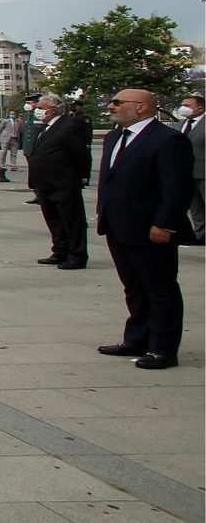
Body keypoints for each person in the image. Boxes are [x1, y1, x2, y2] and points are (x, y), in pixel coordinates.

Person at [94, 88, 193, 370]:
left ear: (141, 107)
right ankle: (137, 338)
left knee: (160, 288)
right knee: (134, 287)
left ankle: (163, 348)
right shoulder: (114, 136)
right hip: (117, 224)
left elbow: (176, 188)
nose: (111, 106)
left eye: (117, 102)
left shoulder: (168, 139)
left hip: (151, 228)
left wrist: (165, 224)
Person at [28, 93, 91, 269]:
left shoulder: (68, 126)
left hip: (63, 182)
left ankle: (76, 255)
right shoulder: (46, 127)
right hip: (45, 182)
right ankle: (60, 250)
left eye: (40, 108)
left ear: (52, 110)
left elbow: (81, 154)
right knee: (54, 220)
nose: (36, 111)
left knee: (71, 221)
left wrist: (82, 176)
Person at [175, 94, 204, 246]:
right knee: (195, 207)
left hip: (203, 171)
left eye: (188, 105)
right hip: (187, 172)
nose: (183, 108)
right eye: (183, 104)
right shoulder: (182, 124)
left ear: (200, 108)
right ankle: (200, 234)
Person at [0, 110, 22, 181]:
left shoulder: (18, 122)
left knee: (14, 153)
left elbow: (20, 130)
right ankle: (1, 165)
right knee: (3, 152)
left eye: (14, 114)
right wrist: (2, 135)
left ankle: (13, 165)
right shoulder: (6, 121)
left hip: (14, 138)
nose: (12, 115)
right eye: (11, 114)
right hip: (6, 138)